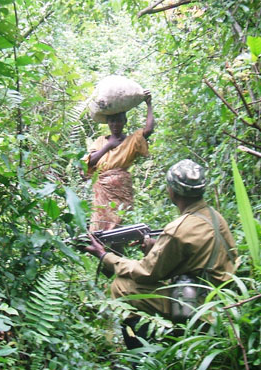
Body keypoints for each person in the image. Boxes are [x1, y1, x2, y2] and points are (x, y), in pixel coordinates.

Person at [81, 159, 239, 349]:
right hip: (225, 298)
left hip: (200, 305)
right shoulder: (214, 215)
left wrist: (105, 256)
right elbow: (196, 254)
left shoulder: (178, 229)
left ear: (171, 190)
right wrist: (155, 246)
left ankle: (141, 358)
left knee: (122, 286)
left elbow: (146, 273)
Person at [83, 90, 154, 232]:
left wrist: (149, 105)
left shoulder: (131, 141)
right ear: (108, 123)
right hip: (102, 190)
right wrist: (109, 146)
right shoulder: (101, 141)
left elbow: (148, 129)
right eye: (112, 121)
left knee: (118, 228)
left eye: (119, 120)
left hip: (121, 192)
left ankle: (117, 253)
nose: (115, 124)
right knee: (99, 226)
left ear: (125, 121)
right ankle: (102, 252)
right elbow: (89, 162)